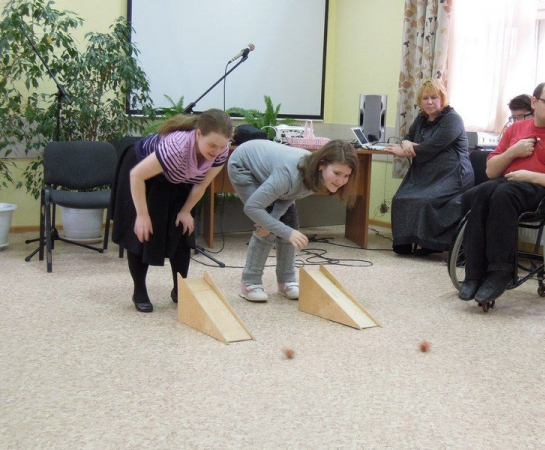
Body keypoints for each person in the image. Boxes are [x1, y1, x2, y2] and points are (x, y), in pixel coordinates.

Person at [458, 82, 545, 305]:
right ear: (534, 103)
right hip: (509, 183)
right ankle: (474, 273)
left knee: (504, 194)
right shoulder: (515, 130)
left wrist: (530, 175)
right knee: (481, 192)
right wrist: (513, 152)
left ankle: (500, 272)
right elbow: (491, 171)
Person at [111, 110, 234, 313]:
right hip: (143, 174)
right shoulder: (177, 147)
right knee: (143, 233)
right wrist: (142, 215)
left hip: (178, 176)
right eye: (212, 145)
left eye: (221, 146)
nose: (217, 151)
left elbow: (201, 185)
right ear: (198, 134)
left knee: (182, 230)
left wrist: (186, 211)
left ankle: (180, 289)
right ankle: (139, 291)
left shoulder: (221, 148)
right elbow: (137, 175)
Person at [227, 139, 358, 302]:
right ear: (322, 165)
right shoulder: (289, 174)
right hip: (243, 165)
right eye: (337, 173)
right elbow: (253, 208)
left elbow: (289, 195)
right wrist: (281, 229)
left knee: (288, 223)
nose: (341, 181)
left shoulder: (316, 176)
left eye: (346, 175)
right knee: (266, 229)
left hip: (276, 177)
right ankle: (250, 282)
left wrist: (280, 225)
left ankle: (286, 281)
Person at [386, 78, 474, 256]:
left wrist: (405, 150)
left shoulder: (453, 119)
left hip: (452, 174)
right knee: (400, 198)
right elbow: (408, 136)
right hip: (426, 173)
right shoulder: (421, 119)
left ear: (442, 99)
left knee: (426, 200)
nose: (430, 102)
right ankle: (405, 243)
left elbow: (431, 147)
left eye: (434, 97)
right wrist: (406, 142)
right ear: (420, 101)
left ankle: (431, 244)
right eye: (425, 98)